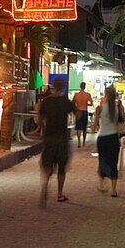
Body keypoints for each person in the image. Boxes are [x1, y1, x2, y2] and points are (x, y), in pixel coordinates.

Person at [37, 76, 76, 207]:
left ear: (53, 85)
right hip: (62, 138)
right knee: (61, 167)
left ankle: (45, 186)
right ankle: (59, 194)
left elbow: (40, 120)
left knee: (48, 165)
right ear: (63, 85)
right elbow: (77, 114)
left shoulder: (46, 101)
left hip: (49, 137)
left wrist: (43, 131)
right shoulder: (66, 101)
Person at [93, 85, 125, 196]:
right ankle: (113, 190)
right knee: (113, 163)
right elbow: (123, 121)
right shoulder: (118, 108)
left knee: (102, 160)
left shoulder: (100, 108)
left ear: (105, 95)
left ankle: (101, 184)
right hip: (113, 138)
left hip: (102, 137)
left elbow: (95, 126)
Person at [71, 82, 93, 148]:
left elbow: (72, 103)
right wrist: (86, 104)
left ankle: (78, 142)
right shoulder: (87, 95)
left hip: (78, 111)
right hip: (84, 111)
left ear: (80, 86)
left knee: (78, 127)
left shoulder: (76, 95)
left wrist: (76, 107)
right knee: (84, 128)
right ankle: (83, 142)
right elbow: (91, 104)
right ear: (85, 87)